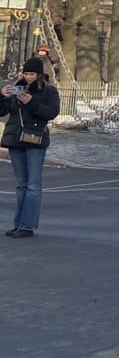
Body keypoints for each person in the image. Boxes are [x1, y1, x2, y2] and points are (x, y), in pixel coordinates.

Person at [1, 57, 60, 237]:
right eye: (26, 73)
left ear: (39, 74)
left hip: (35, 140)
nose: (28, 77)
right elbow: (2, 112)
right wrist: (2, 95)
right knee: (21, 185)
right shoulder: (15, 88)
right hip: (15, 140)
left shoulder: (49, 91)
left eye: (31, 74)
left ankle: (27, 225)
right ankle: (18, 224)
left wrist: (31, 102)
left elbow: (51, 113)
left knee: (33, 184)